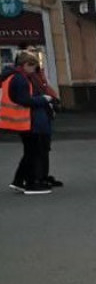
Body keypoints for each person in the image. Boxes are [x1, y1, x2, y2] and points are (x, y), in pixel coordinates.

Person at [0, 51, 56, 195]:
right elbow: (23, 100)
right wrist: (43, 99)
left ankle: (19, 181)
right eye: (32, 66)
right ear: (25, 65)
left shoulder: (16, 77)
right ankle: (31, 183)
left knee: (30, 152)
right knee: (34, 152)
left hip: (25, 120)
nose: (34, 69)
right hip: (28, 120)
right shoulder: (20, 79)